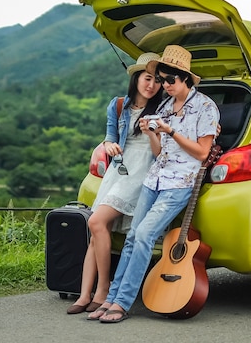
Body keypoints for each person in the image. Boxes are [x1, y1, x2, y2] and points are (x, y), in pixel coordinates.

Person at [92, 44, 220, 323]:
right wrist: (152, 132)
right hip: (154, 179)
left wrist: (170, 130)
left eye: (169, 80)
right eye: (162, 80)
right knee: (131, 238)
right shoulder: (163, 105)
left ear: (185, 77)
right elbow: (159, 152)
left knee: (145, 236)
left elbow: (200, 153)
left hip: (179, 183)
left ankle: (122, 303)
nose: (165, 85)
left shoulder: (205, 107)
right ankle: (111, 298)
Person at [66, 52, 164, 314]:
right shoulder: (118, 105)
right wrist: (109, 145)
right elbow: (110, 137)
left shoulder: (162, 110)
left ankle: (104, 288)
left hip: (141, 172)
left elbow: (159, 153)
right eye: (147, 78)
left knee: (96, 222)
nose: (151, 85)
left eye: (156, 80)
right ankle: (84, 294)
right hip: (118, 172)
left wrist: (151, 132)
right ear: (136, 78)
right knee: (96, 235)